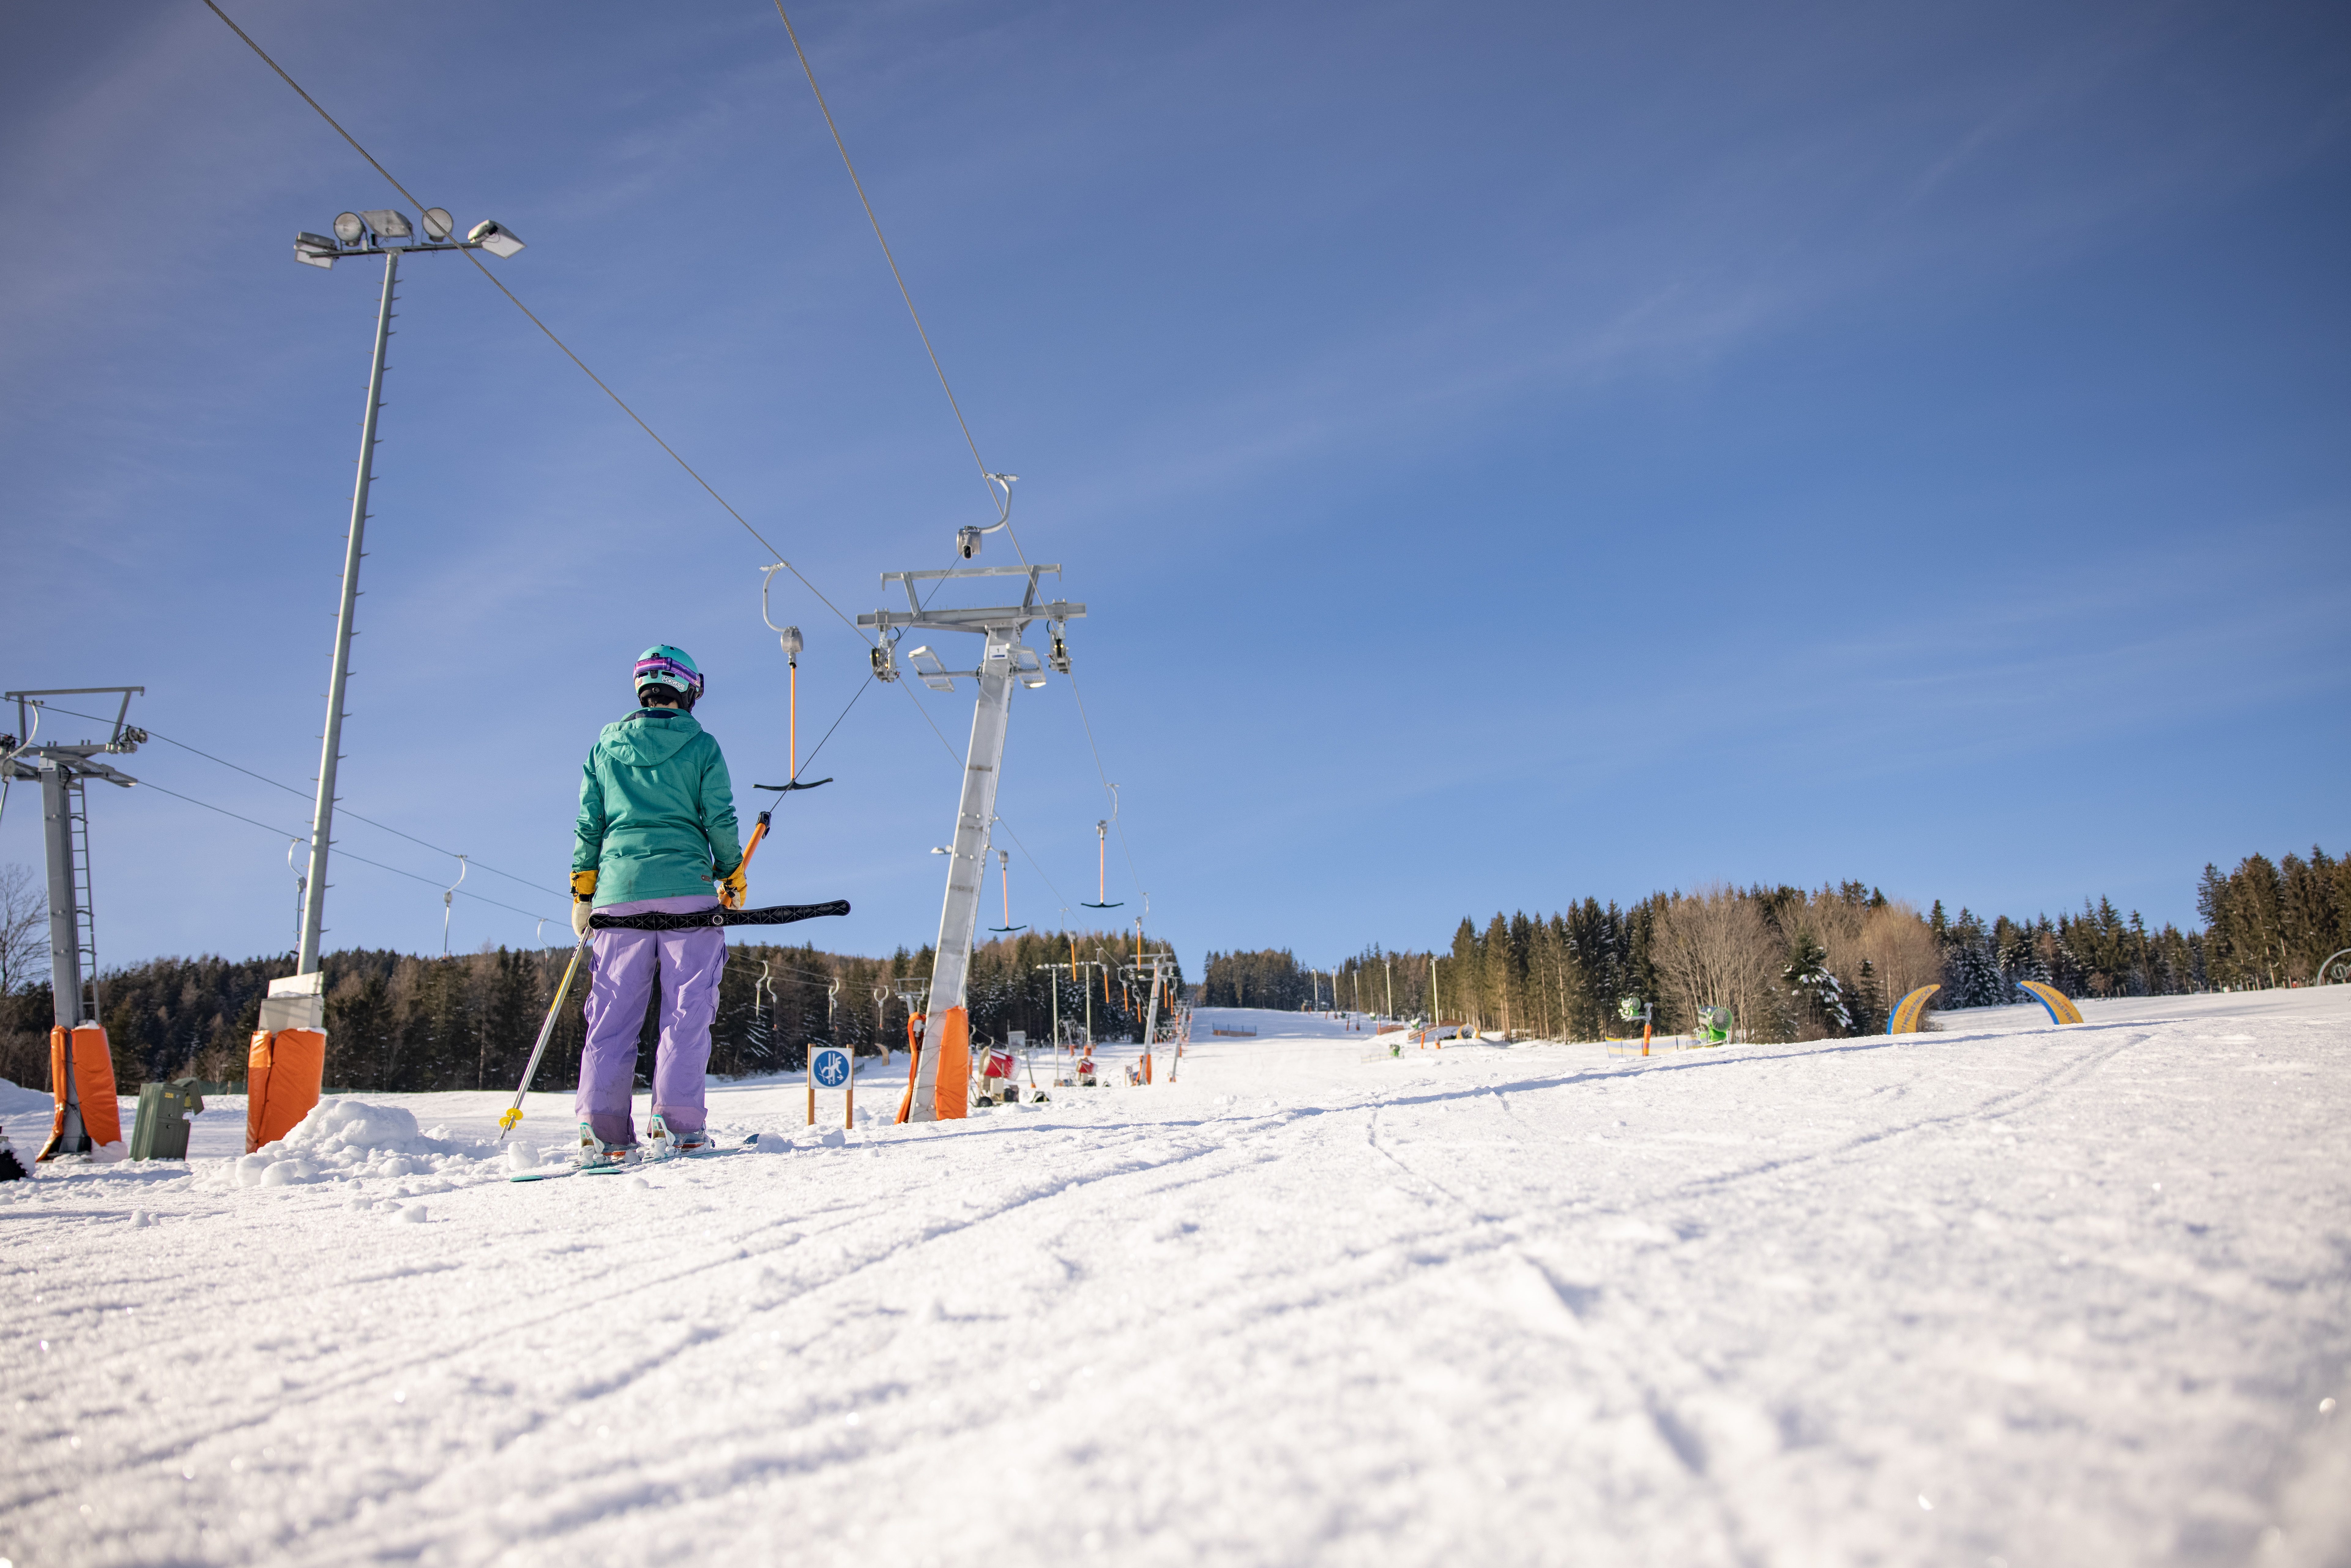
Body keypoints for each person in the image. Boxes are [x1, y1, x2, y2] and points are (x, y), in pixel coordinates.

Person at [568, 644, 745, 1167]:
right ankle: (679, 1124)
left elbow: (589, 825)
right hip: (689, 893)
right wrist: (731, 875)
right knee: (688, 1011)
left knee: (613, 1015)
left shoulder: (604, 747)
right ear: (688, 689)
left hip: (618, 897)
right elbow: (721, 818)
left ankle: (601, 1131)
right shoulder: (703, 747)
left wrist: (584, 891)